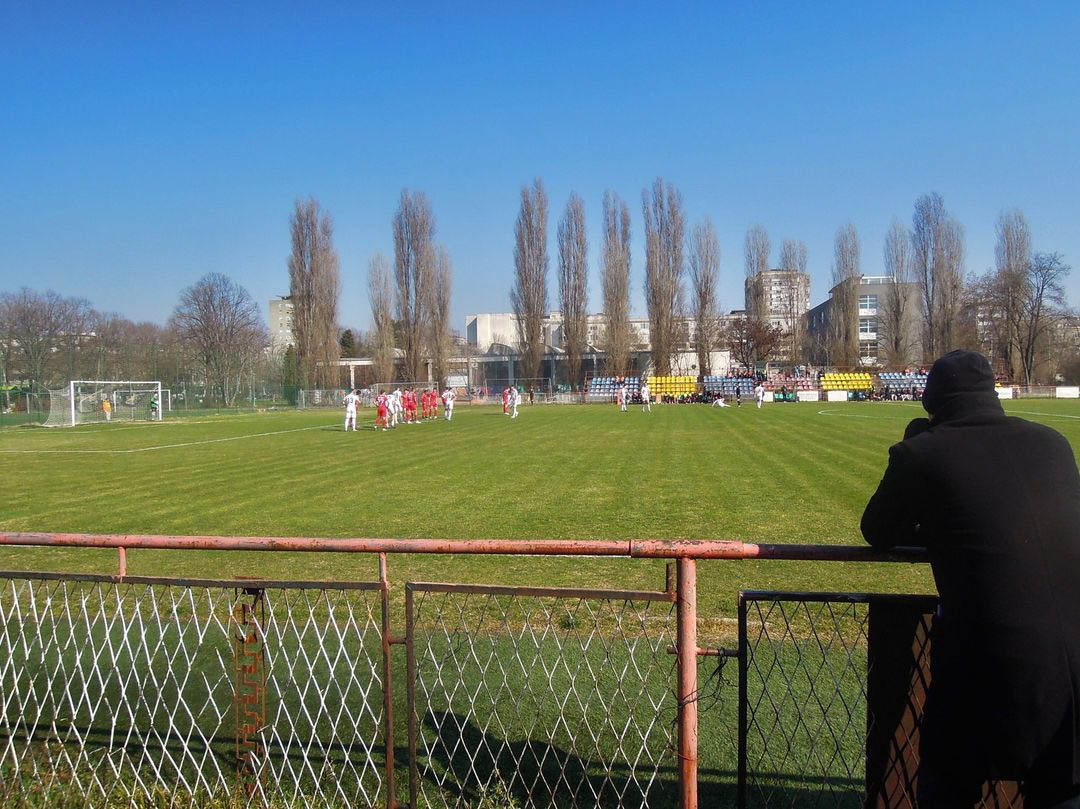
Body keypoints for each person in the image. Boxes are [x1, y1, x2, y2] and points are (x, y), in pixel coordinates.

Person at [861, 350, 1080, 809]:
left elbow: (877, 530)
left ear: (931, 400)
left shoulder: (921, 453)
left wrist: (914, 446)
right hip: (1071, 666)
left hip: (985, 665)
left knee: (946, 783)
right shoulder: (1053, 443)